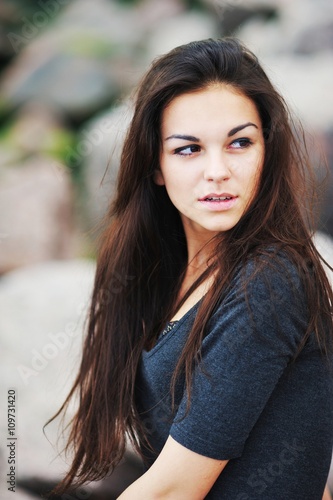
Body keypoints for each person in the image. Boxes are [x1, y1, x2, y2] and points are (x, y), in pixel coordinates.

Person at [51, 38, 333, 499]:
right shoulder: (165, 274)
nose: (217, 170)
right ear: (156, 165)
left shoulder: (271, 281)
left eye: (239, 143)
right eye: (188, 149)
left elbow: (173, 489)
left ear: (268, 151)